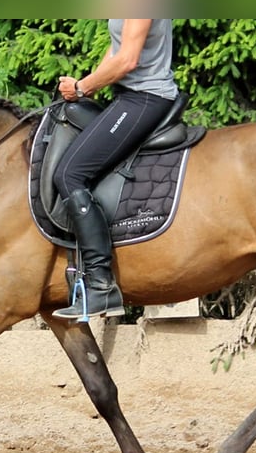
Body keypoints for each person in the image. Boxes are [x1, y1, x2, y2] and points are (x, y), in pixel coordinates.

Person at [52, 19, 179, 320]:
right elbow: (116, 47)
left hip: (146, 97)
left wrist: (82, 87)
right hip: (128, 97)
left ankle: (100, 286)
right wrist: (89, 85)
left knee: (70, 175)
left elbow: (127, 59)